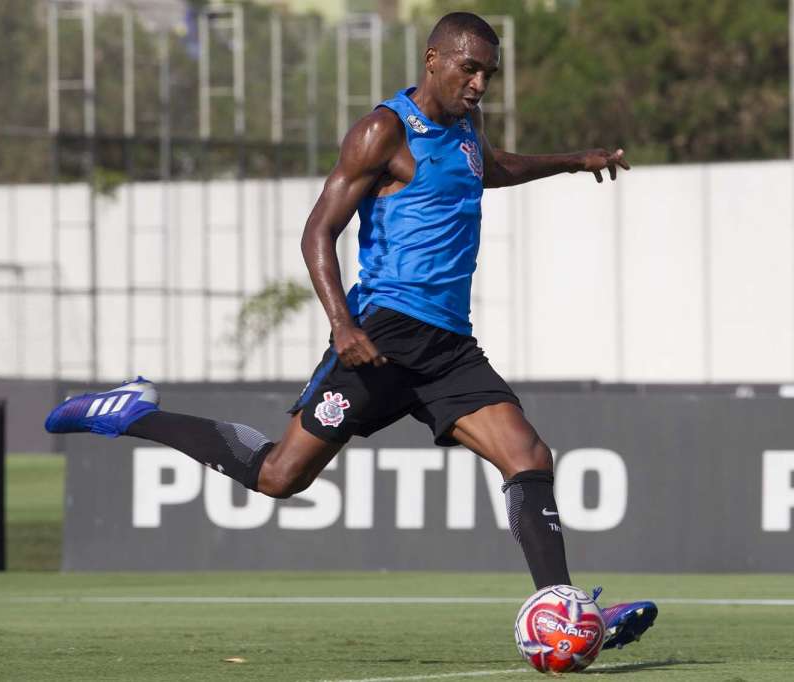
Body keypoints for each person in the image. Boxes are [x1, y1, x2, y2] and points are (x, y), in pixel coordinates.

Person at [46, 11, 656, 651]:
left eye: (489, 74)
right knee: (280, 476)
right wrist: (341, 324)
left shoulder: (467, 129)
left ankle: (564, 609)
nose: (479, 84)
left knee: (528, 456)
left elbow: (487, 168)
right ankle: (134, 414)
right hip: (382, 337)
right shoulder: (382, 131)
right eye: (469, 69)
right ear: (433, 60)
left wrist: (573, 161)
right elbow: (318, 230)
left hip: (448, 346)